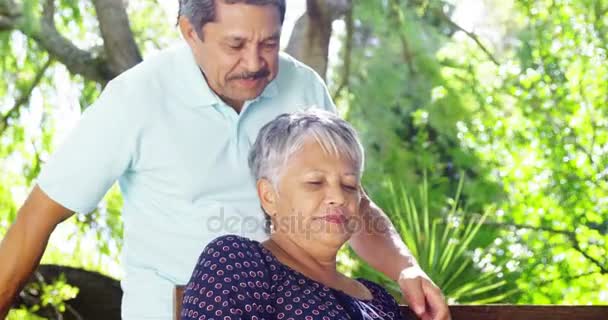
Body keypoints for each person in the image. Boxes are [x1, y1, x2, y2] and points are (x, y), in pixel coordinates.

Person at [0, 1, 449, 320]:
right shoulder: (135, 99)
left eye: (269, 43)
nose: (254, 63)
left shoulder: (302, 85)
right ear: (190, 31)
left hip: (295, 305)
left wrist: (404, 267)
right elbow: (38, 218)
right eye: (235, 45)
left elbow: (350, 201)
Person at [181, 110, 405, 320]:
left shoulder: (378, 299)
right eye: (315, 182)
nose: (338, 196)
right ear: (268, 196)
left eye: (349, 185)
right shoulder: (238, 262)